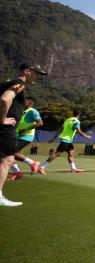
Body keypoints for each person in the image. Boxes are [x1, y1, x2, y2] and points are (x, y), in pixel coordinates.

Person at [1, 63, 47, 206]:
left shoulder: (7, 83)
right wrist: (2, 119)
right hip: (6, 129)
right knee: (7, 160)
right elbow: (5, 99)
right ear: (27, 71)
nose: (38, 77)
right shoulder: (19, 83)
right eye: (36, 73)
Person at [37, 109, 92, 174]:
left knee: (71, 153)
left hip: (69, 141)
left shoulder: (67, 120)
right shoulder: (77, 121)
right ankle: (42, 167)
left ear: (73, 113)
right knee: (56, 154)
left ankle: (73, 168)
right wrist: (86, 136)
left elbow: (61, 129)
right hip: (66, 140)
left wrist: (54, 138)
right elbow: (78, 131)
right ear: (79, 115)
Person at [9, 96, 43, 180]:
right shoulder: (23, 111)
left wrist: (25, 129)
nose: (22, 102)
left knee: (9, 152)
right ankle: (29, 165)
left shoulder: (32, 111)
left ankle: (19, 171)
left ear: (30, 103)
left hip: (26, 136)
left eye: (24, 101)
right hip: (17, 135)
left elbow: (40, 123)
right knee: (8, 153)